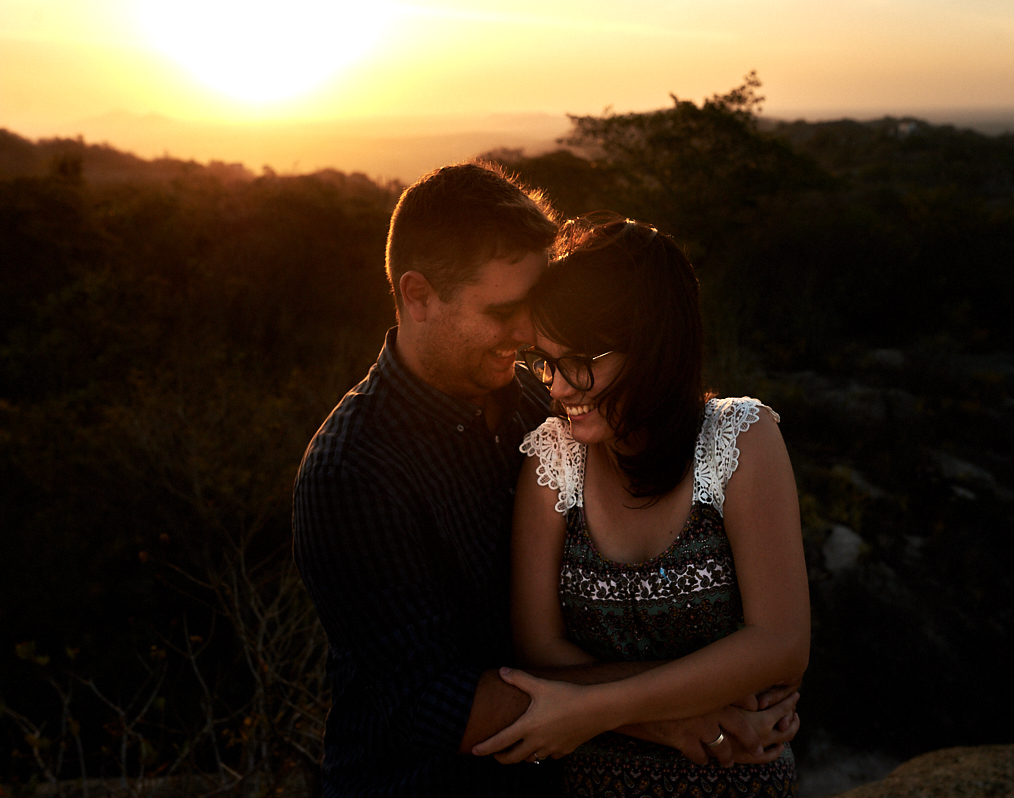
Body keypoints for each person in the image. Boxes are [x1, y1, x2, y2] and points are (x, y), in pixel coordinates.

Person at [293, 165, 801, 797]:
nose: (528, 333)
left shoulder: (541, 405)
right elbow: (426, 703)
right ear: (417, 296)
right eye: (504, 311)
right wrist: (675, 710)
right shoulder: (353, 469)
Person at [472, 218, 811, 796]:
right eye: (545, 360)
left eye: (580, 360)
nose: (557, 387)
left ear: (654, 348)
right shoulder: (554, 459)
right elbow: (539, 651)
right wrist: (676, 714)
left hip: (735, 775)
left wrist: (591, 708)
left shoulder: (740, 439)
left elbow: (781, 646)